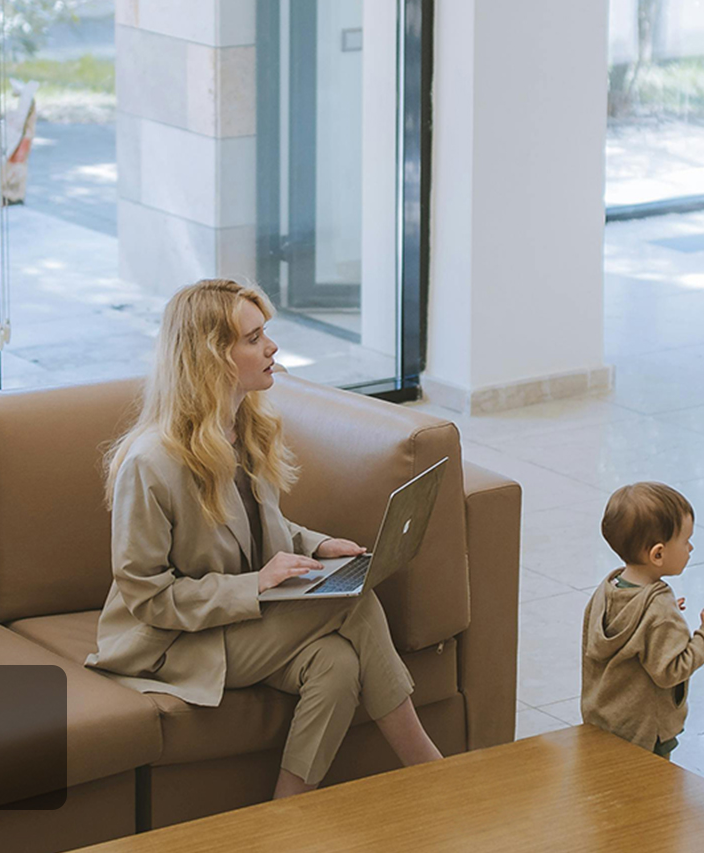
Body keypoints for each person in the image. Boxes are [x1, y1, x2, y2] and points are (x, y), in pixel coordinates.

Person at [85, 278, 442, 799]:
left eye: (264, 334)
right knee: (356, 604)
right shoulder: (151, 462)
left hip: (237, 620)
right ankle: (431, 771)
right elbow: (148, 596)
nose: (272, 347)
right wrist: (255, 584)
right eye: (253, 339)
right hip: (173, 642)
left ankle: (285, 817)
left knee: (336, 664)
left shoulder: (246, 428)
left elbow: (256, 528)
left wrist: (315, 546)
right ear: (211, 357)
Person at [580, 482, 704, 758]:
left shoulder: (608, 588)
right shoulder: (658, 609)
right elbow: (671, 670)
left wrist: (665, 614)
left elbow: (628, 625)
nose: (690, 548)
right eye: (685, 541)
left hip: (603, 719)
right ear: (658, 554)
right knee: (650, 785)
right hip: (645, 732)